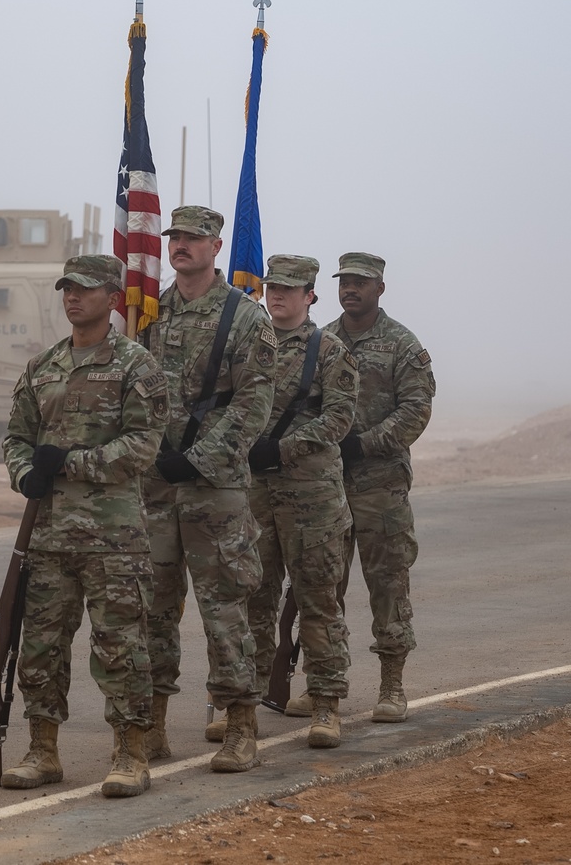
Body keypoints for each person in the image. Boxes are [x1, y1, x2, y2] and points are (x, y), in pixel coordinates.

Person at [1, 253, 169, 798]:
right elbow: (16, 437)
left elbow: (143, 445)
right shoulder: (43, 367)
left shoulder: (136, 366)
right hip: (48, 538)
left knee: (121, 648)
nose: (73, 297)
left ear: (113, 298)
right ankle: (42, 750)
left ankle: (129, 753)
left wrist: (69, 462)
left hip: (113, 538)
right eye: (67, 289)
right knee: (41, 647)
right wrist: (26, 471)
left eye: (85, 289)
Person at [140, 205, 277, 773]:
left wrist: (195, 461)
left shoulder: (246, 318)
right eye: (176, 237)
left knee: (224, 610)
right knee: (152, 607)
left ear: (218, 246)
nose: (182, 246)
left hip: (214, 488)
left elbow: (254, 404)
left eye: (195, 238)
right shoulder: (146, 312)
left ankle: (240, 724)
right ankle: (149, 725)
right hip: (153, 488)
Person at [205, 255, 358, 748]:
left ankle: (326, 703)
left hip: (311, 494)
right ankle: (238, 707)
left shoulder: (330, 350)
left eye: (290, 289)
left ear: (311, 295)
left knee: (318, 602)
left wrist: (284, 447)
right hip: (253, 492)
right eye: (273, 287)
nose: (278, 295)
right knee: (251, 602)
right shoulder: (246, 345)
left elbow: (339, 419)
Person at [284, 252, 435, 723]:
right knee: (321, 586)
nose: (350, 289)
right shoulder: (320, 340)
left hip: (379, 485)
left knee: (387, 581)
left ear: (380, 289)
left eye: (361, 283)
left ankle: (392, 684)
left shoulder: (401, 345)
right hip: (323, 484)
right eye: (344, 282)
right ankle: (321, 683)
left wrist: (364, 443)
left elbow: (416, 410)